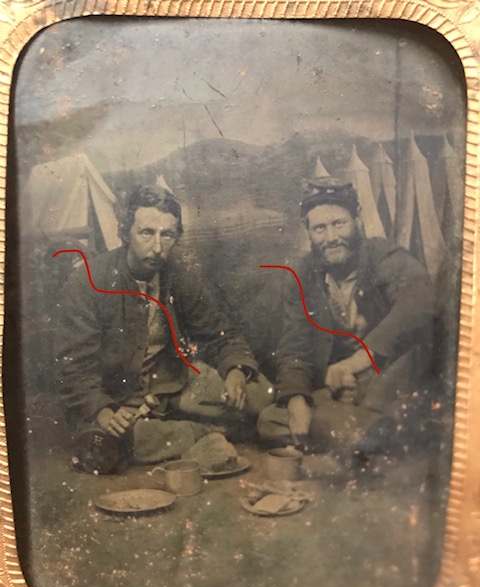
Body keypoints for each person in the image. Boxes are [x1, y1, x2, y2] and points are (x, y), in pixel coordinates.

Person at [56, 184, 271, 474]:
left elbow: (220, 333)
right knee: (111, 444)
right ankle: (204, 432)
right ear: (125, 232)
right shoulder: (88, 282)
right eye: (146, 233)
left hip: (170, 382)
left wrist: (235, 370)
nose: (157, 248)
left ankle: (184, 429)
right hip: (117, 400)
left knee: (260, 394)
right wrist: (102, 410)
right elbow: (74, 369)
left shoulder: (178, 276)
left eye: (167, 235)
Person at [257, 178, 436, 459]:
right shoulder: (302, 274)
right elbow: (294, 348)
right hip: (340, 393)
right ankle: (363, 437)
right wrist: (296, 400)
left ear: (357, 220)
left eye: (339, 224)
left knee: (408, 372)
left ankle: (360, 435)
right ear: (308, 231)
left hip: (387, 383)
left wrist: (355, 364)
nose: (331, 238)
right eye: (319, 228)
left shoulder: (383, 256)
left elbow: (420, 303)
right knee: (271, 419)